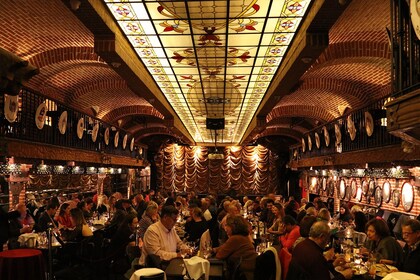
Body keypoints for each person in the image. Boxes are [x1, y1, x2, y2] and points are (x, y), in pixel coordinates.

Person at [287, 221, 353, 280]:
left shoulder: (300, 245)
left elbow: (316, 270)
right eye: (328, 238)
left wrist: (333, 264)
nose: (328, 242)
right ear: (322, 237)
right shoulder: (315, 256)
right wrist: (344, 276)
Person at [215, 215, 257, 280]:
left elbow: (219, 255)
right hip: (250, 271)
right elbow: (225, 247)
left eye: (226, 225)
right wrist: (214, 250)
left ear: (233, 227)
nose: (225, 228)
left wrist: (214, 251)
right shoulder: (243, 236)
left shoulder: (235, 239)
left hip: (244, 274)